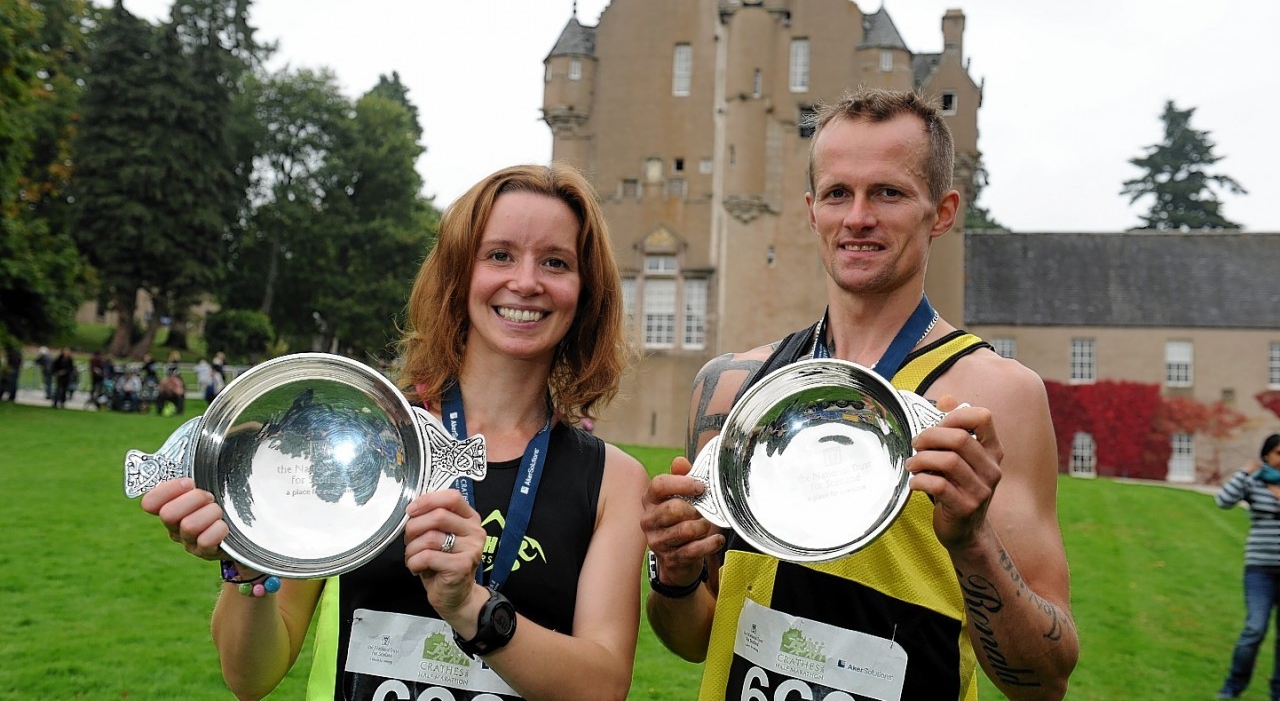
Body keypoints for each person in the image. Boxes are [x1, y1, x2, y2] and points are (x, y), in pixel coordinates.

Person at [138, 163, 649, 700]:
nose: (525, 281)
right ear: (458, 274)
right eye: (499, 255)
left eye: (555, 261)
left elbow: (602, 687)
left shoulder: (613, 481)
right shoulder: (355, 436)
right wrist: (247, 568)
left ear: (586, 291)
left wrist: (469, 608)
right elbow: (250, 677)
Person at [641, 88, 1079, 700]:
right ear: (811, 209)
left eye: (889, 193)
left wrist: (974, 543)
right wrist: (677, 575)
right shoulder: (734, 389)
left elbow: (1044, 681)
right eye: (838, 194)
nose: (857, 218)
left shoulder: (995, 398)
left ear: (944, 211)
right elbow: (694, 639)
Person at [1214, 433, 1280, 700]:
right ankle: (1233, 686)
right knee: (1255, 628)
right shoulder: (1255, 483)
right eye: (1278, 453)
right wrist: (1244, 472)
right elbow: (1223, 500)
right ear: (1266, 455)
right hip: (1260, 571)